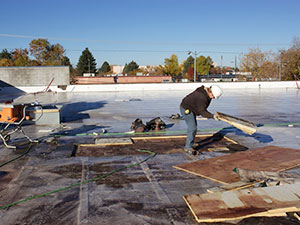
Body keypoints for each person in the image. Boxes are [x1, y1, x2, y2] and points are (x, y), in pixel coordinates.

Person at [179, 85, 223, 154]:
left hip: (192, 108)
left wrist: (211, 115)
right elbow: (202, 111)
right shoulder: (202, 96)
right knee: (192, 128)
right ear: (210, 92)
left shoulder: (207, 94)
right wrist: (212, 116)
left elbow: (203, 109)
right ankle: (188, 147)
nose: (213, 98)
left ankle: (191, 143)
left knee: (193, 127)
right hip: (186, 109)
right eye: (213, 96)